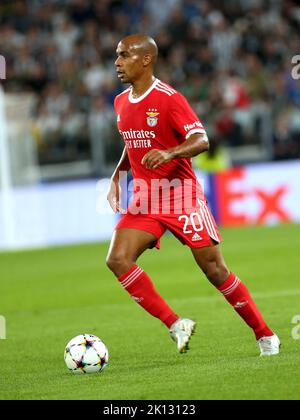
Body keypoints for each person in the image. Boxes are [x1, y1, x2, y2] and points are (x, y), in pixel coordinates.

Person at [106, 34, 280, 356]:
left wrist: (170, 153)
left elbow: (201, 140)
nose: (117, 62)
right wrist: (119, 174)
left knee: (215, 271)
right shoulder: (120, 102)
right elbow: (133, 143)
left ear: (146, 60)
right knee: (117, 259)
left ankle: (264, 334)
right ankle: (175, 324)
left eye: (124, 55)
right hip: (147, 196)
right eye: (117, 56)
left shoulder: (170, 99)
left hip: (181, 196)